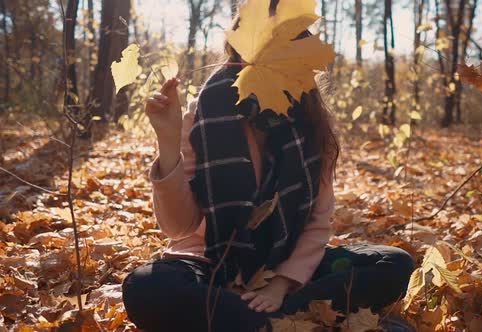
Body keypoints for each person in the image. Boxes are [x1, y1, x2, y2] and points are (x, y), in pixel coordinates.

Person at [122, 4, 414, 332]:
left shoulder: (312, 124)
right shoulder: (204, 114)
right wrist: (168, 141)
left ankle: (258, 320)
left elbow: (317, 221)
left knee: (394, 264)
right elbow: (179, 228)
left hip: (286, 267)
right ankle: (294, 322)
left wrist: (281, 284)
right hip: (210, 266)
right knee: (145, 287)